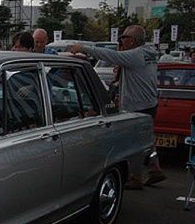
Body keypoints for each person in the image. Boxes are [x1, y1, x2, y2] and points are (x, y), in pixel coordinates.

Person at [70, 25, 166, 188]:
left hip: (137, 106)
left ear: (133, 41)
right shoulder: (147, 54)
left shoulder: (135, 55)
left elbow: (110, 55)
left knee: (133, 143)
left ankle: (135, 177)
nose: (121, 41)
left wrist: (84, 48)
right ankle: (154, 169)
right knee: (146, 140)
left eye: (124, 38)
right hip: (149, 102)